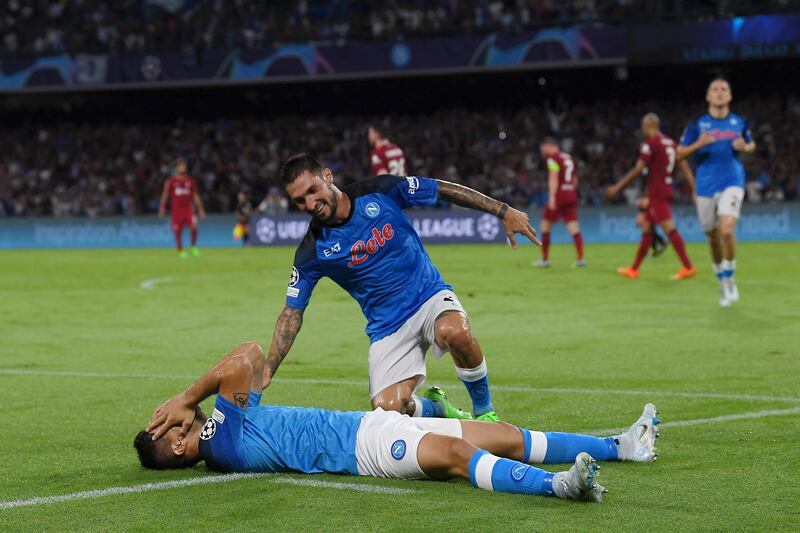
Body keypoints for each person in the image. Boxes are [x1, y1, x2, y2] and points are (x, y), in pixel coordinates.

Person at [138, 342, 660, 503]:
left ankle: (622, 446)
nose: (174, 419)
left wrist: (190, 402)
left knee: (505, 437)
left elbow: (250, 357)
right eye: (167, 426)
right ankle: (562, 488)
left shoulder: (227, 430)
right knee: (457, 458)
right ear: (180, 447)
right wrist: (187, 396)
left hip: (367, 427)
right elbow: (244, 357)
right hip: (364, 453)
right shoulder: (218, 436)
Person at [266, 154, 542, 423]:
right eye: (300, 200)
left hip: (428, 296)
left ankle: (485, 413)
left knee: (455, 332)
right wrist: (269, 368)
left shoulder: (380, 191)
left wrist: (503, 211)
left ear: (327, 176)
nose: (311, 203)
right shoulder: (313, 250)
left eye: (313, 190)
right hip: (387, 326)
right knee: (386, 412)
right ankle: (437, 409)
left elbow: (441, 189)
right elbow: (292, 313)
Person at [677, 78, 756, 306]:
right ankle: (721, 281)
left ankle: (730, 276)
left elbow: (751, 144)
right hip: (705, 186)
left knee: (727, 230)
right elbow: (680, 153)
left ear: (730, 96)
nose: (719, 93)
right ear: (708, 97)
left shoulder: (739, 122)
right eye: (715, 90)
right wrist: (699, 144)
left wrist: (746, 147)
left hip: (732, 181)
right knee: (712, 238)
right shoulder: (697, 125)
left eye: (724, 89)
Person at [607, 113, 696, 280]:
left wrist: (617, 187)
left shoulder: (649, 144)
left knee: (669, 229)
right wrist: (694, 188)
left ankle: (688, 267)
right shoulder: (671, 143)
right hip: (665, 189)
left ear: (647, 127)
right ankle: (634, 269)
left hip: (657, 193)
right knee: (647, 228)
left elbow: (638, 170)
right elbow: (683, 165)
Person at [534, 137, 585, 268]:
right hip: (571, 194)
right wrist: (570, 190)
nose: (542, 152)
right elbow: (574, 179)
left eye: (542, 149)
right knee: (574, 227)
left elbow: (553, 178)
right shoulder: (567, 157)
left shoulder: (552, 158)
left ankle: (545, 260)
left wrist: (552, 197)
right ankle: (581, 259)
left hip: (559, 196)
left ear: (547, 146)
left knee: (545, 225)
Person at [158, 158, 206, 258]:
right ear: (176, 168)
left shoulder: (190, 181)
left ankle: (193, 247)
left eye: (184, 166)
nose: (183, 168)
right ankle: (180, 250)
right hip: (177, 210)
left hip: (188, 209)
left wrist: (200, 209)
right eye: (181, 166)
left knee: (194, 227)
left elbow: (195, 195)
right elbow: (165, 194)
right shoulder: (171, 181)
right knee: (178, 230)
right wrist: (162, 207)